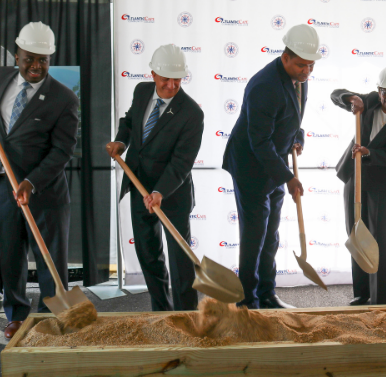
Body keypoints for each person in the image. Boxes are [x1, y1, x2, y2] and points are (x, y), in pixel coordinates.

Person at [0, 22, 79, 338]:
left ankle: (51, 317)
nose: (36, 66)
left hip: (44, 192)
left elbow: (62, 151)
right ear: (16, 55)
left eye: (43, 59)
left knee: (49, 260)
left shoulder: (64, 99)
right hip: (1, 186)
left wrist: (31, 182)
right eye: (30, 58)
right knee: (11, 257)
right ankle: (16, 314)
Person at [221, 24, 321, 309]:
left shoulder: (300, 77)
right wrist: (288, 178)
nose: (306, 72)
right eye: (301, 65)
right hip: (252, 167)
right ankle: (247, 302)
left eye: (311, 66)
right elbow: (259, 142)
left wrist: (296, 136)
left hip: (275, 164)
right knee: (254, 237)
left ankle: (267, 293)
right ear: (285, 57)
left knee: (271, 234)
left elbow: (294, 116)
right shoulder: (264, 86)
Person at [106, 44, 203, 311]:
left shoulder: (192, 113)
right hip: (139, 187)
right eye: (166, 79)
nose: (172, 85)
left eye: (177, 79)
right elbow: (129, 121)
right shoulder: (141, 92)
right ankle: (162, 311)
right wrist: (120, 141)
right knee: (148, 255)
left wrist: (160, 192)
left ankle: (187, 315)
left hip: (172, 193)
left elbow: (181, 163)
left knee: (181, 260)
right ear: (153, 74)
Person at [331, 66, 386, 306]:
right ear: (378, 90)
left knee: (379, 237)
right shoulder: (367, 100)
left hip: (383, 183)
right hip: (355, 175)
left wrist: (368, 152)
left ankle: (384, 297)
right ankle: (361, 293)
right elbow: (335, 94)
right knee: (356, 232)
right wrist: (351, 99)